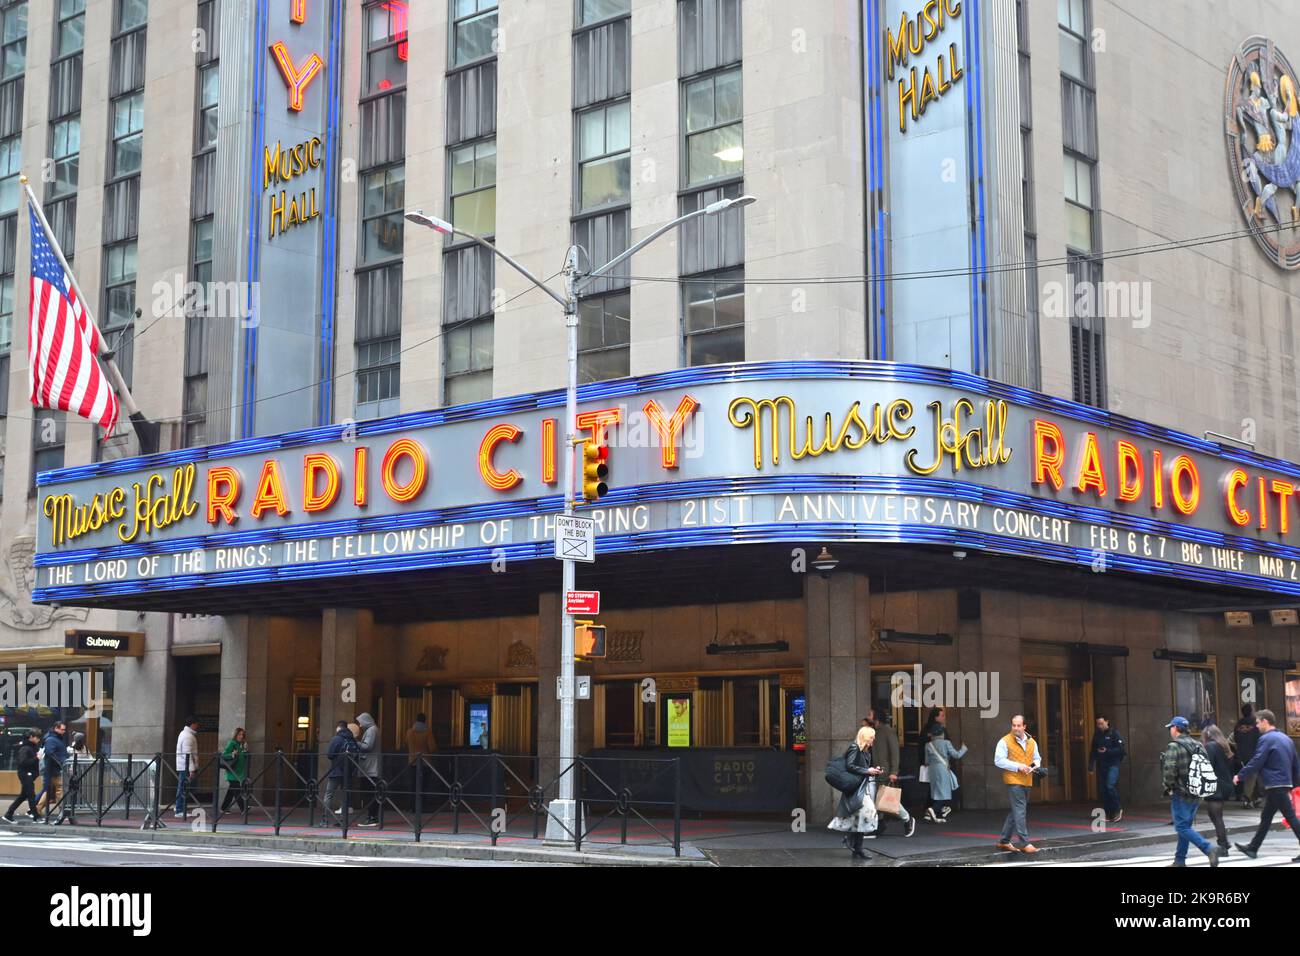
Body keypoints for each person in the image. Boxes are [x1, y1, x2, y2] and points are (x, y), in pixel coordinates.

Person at [1232, 708, 1300, 862]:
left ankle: (1253, 848)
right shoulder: (1286, 739)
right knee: (1266, 817)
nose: (1256, 726)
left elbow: (1257, 760)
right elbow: (1296, 764)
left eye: (1257, 722)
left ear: (1265, 721)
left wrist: (1240, 775)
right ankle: (1253, 848)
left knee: (1290, 817)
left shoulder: (1266, 739)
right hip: (1283, 783)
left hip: (1275, 784)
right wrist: (1294, 785)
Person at [1161, 716, 1220, 868]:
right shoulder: (1198, 744)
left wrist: (1168, 787)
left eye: (1170, 728)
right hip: (1196, 791)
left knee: (1181, 826)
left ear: (1175, 728)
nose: (1170, 731)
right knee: (1186, 826)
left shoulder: (1174, 746)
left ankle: (1209, 848)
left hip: (1181, 792)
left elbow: (1169, 770)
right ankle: (1179, 860)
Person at [827, 725, 881, 859]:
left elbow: (861, 767)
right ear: (866, 737)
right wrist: (867, 771)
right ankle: (853, 842)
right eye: (872, 737)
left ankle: (856, 847)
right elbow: (850, 766)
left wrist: (873, 770)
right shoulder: (854, 748)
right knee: (868, 812)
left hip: (861, 786)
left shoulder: (865, 750)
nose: (874, 739)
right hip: (856, 787)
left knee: (859, 816)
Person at [864, 709, 916, 837]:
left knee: (888, 800)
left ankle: (907, 819)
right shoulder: (875, 731)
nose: (868, 716)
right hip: (878, 771)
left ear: (876, 716)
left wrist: (894, 771)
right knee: (878, 799)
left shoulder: (887, 731)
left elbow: (894, 752)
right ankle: (879, 824)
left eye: (870, 714)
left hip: (885, 771)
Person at [993, 714, 1041, 854]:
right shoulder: (1004, 741)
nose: (1016, 728)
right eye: (1014, 725)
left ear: (1024, 726)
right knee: (1020, 810)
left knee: (1016, 810)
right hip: (1013, 780)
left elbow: (1037, 759)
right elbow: (998, 760)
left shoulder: (1032, 741)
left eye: (1019, 725)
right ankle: (1024, 842)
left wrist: (1032, 766)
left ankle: (1004, 841)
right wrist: (1018, 766)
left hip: (1027, 779)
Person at [1200, 723, 1235, 855]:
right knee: (1216, 815)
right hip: (1223, 784)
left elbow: (1207, 766)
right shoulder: (1224, 747)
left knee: (1216, 816)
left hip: (1215, 786)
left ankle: (1224, 845)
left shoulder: (1210, 746)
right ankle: (1224, 843)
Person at [924, 730, 968, 824]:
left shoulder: (928, 745)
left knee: (936, 792)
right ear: (942, 734)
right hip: (943, 770)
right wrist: (963, 748)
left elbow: (927, 761)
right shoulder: (946, 743)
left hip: (932, 770)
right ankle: (933, 809)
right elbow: (956, 755)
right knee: (944, 793)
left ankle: (936, 814)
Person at [1088, 715, 1126, 823]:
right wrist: (1091, 766)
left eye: (1101, 723)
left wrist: (1107, 751)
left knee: (1110, 785)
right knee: (1103, 789)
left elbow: (1121, 750)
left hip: (1113, 764)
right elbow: (1093, 751)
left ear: (1107, 722)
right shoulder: (1097, 735)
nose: (1099, 726)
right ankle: (1109, 813)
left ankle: (1118, 809)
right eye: (1098, 724)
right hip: (1102, 764)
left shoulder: (1114, 733)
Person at [323, 720, 359, 824]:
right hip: (349, 771)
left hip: (336, 770)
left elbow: (330, 754)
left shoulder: (336, 739)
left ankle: (325, 819)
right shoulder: (352, 739)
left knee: (329, 794)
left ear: (338, 728)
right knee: (345, 795)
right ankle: (343, 820)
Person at [4, 730, 42, 822]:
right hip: (25, 773)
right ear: (31, 737)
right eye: (37, 737)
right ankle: (35, 816)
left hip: (28, 773)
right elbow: (23, 762)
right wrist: (36, 758)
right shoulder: (25, 748)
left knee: (23, 795)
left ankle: (9, 814)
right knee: (31, 794)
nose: (38, 739)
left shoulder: (31, 747)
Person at [35, 721, 68, 821]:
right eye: (62, 729)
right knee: (58, 790)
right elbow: (51, 753)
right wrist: (61, 763)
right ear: (56, 729)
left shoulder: (53, 739)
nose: (64, 731)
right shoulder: (52, 739)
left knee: (50, 791)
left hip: (53, 769)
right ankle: (62, 812)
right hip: (54, 769)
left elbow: (53, 753)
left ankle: (37, 809)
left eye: (64, 729)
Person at [354, 712, 381, 827]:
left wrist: (356, 742)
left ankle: (372, 817)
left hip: (370, 767)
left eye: (360, 723)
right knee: (371, 792)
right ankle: (372, 816)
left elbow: (367, 747)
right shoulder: (373, 730)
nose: (360, 726)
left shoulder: (371, 730)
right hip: (371, 766)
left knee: (369, 793)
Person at [1232, 707, 1261, 808]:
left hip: (1241, 754)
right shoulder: (1256, 723)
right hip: (1255, 753)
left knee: (1248, 775)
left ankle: (1254, 797)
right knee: (1252, 776)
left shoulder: (1238, 725)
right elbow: (1259, 738)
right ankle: (1248, 798)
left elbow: (1235, 738)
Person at [174, 717, 200, 820]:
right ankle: (179, 809)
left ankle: (179, 807)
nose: (198, 726)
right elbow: (187, 755)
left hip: (183, 765)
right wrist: (192, 769)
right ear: (192, 724)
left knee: (182, 786)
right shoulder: (188, 736)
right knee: (183, 787)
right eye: (197, 723)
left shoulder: (184, 734)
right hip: (185, 767)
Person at [219, 728, 249, 815]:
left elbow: (244, 757)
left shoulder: (242, 745)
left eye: (243, 735)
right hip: (232, 771)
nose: (241, 736)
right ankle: (243, 808)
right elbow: (224, 755)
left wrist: (246, 751)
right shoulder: (232, 743)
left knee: (231, 791)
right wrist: (232, 754)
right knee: (237, 790)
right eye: (239, 734)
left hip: (239, 772)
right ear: (236, 735)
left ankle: (224, 808)